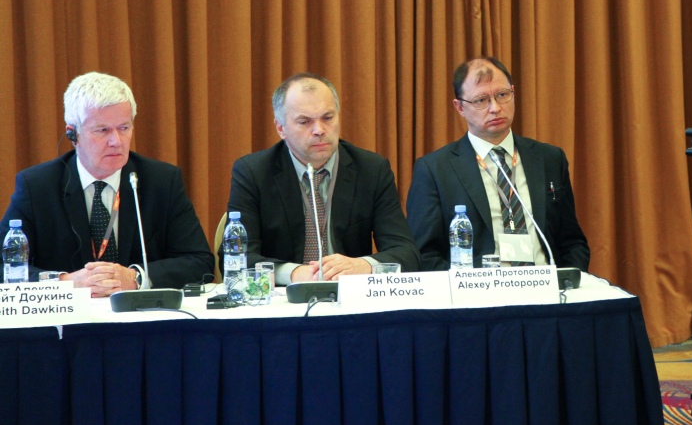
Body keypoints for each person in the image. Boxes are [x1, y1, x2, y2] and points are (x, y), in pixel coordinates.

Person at [0, 72, 214, 295]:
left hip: (140, 313)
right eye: (102, 130)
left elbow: (200, 262)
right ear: (73, 134)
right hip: (70, 315)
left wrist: (136, 277)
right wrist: (65, 282)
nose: (116, 141)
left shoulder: (161, 181)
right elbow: (3, 266)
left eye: (124, 128)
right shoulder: (37, 186)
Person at [227, 73, 418, 283]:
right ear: (281, 128)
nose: (319, 130)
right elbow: (236, 258)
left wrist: (364, 266)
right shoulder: (253, 172)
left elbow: (406, 252)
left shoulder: (371, 169)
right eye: (304, 122)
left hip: (348, 293)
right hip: (284, 295)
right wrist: (293, 273)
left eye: (327, 118)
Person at [406, 57, 590, 270]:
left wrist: (567, 282)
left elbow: (572, 242)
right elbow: (424, 254)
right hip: (479, 287)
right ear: (460, 107)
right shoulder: (435, 169)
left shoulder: (549, 159)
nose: (495, 108)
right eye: (481, 100)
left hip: (546, 284)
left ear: (513, 93)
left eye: (502, 95)